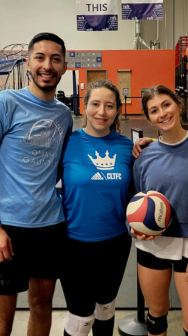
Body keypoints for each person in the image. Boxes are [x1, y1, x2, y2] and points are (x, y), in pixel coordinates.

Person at [130, 85, 188, 336]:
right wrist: (135, 230)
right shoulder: (145, 156)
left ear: (179, 105)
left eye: (166, 104)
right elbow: (136, 200)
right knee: (156, 315)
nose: (162, 113)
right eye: (154, 110)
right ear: (148, 119)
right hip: (152, 246)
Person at [0, 32, 72, 336]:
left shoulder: (64, 114)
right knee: (3, 321)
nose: (47, 65)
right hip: (8, 226)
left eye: (55, 59)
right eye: (40, 57)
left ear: (64, 67)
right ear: (28, 63)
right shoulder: (7, 102)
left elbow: (59, 167)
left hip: (49, 226)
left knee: (42, 306)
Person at [59, 80, 133, 336]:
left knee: (106, 309)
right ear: (84, 106)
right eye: (95, 104)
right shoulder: (67, 143)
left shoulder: (127, 147)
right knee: (81, 319)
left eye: (109, 106)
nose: (102, 112)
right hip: (73, 244)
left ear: (117, 110)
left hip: (115, 243)